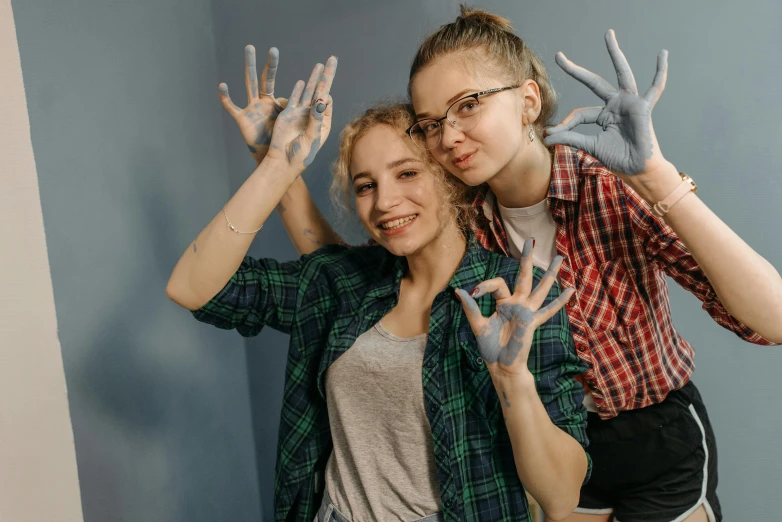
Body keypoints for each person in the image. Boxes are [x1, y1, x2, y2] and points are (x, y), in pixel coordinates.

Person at [276, 8, 782, 522]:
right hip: (556, 445)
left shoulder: (609, 183)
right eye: (431, 123)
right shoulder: (462, 218)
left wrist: (655, 177)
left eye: (468, 105)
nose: (449, 136)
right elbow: (351, 277)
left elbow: (774, 320)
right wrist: (279, 167)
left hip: (657, 439)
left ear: (528, 100)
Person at [166, 49, 590, 522]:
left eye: (407, 173)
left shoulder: (514, 297)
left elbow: (561, 496)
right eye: (365, 186)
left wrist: (513, 380)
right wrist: (276, 167)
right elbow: (193, 288)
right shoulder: (340, 285)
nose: (385, 202)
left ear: (450, 181)